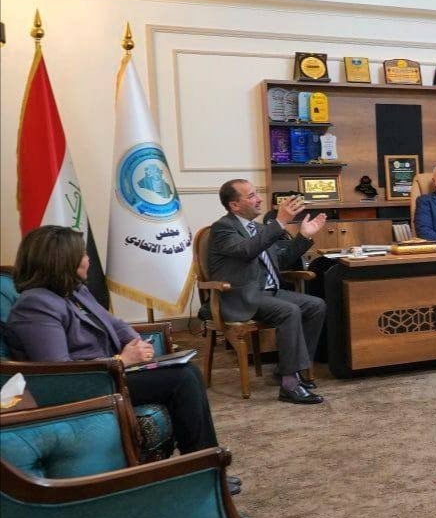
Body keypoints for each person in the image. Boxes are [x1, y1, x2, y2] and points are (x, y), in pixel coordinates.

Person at [6, 225, 238, 491]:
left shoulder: (75, 291)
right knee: (182, 378)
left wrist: (134, 343)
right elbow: (59, 370)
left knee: (187, 370)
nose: (88, 259)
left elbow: (114, 324)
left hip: (109, 373)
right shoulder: (36, 305)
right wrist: (122, 360)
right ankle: (202, 471)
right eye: (82, 254)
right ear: (61, 260)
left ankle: (202, 466)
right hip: (82, 387)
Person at [208, 179, 328, 404]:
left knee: (316, 305)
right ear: (234, 205)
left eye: (257, 194)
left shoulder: (260, 229)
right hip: (242, 297)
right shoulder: (223, 228)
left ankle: (289, 369)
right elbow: (246, 251)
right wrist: (280, 222)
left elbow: (280, 260)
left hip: (270, 293)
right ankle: (290, 385)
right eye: (251, 196)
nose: (259, 199)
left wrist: (304, 236)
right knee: (289, 311)